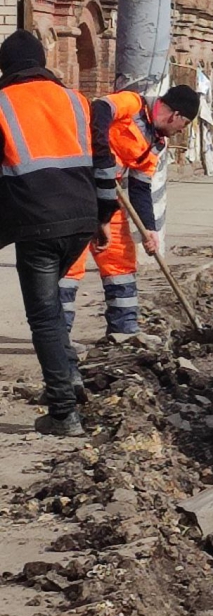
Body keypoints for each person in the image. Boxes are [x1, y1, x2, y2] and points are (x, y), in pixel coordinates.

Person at [0, 30, 101, 437]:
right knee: (54, 311)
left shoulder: (3, 103)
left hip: (38, 224)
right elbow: (102, 161)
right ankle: (70, 378)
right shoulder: (76, 100)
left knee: (43, 316)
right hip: (81, 220)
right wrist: (105, 217)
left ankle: (63, 413)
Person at [59, 85, 200, 338]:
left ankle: (124, 332)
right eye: (185, 123)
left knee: (121, 263)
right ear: (175, 115)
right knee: (70, 267)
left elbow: (140, 186)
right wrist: (101, 156)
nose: (181, 131)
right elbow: (99, 109)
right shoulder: (133, 104)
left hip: (109, 200)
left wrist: (149, 229)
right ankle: (57, 340)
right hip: (77, 193)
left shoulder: (157, 143)